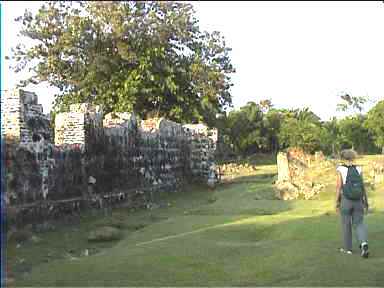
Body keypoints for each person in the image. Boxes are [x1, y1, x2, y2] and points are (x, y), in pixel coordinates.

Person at [335, 149, 369, 258]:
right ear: (353, 158)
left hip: (346, 200)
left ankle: (347, 249)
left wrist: (337, 202)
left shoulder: (340, 169)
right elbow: (363, 186)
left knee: (346, 224)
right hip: (358, 200)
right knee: (359, 223)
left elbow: (339, 186)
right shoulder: (359, 169)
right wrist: (366, 201)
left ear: (343, 158)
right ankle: (364, 244)